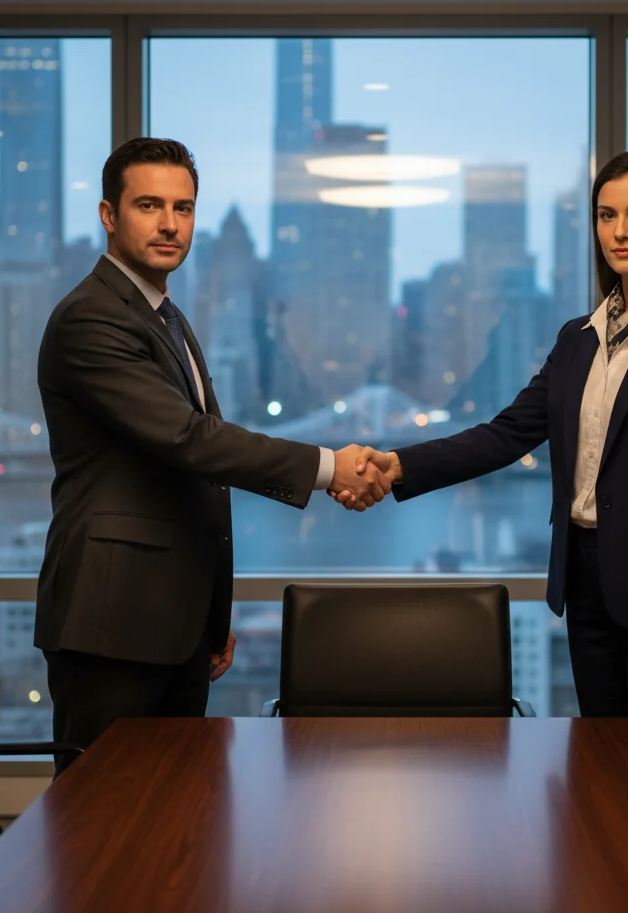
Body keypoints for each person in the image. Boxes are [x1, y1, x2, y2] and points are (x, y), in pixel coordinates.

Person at [335, 151, 628, 740]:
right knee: (602, 773)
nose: (620, 232)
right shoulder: (578, 339)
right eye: (607, 216)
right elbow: (505, 435)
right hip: (585, 587)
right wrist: (397, 465)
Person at [35, 137, 390, 774]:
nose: (170, 224)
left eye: (184, 207)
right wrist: (331, 467)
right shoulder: (91, 318)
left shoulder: (164, 317)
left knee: (175, 819)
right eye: (149, 205)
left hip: (172, 624)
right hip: (111, 624)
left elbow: (193, 480)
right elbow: (189, 441)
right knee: (101, 826)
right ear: (109, 215)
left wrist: (208, 612)